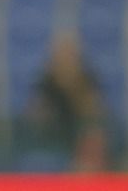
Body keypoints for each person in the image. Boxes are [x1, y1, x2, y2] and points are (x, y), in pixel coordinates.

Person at [22, 33, 110, 171]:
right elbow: (35, 113)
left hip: (79, 130)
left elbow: (95, 110)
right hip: (53, 133)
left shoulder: (86, 78)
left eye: (69, 55)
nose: (66, 60)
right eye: (62, 55)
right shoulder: (46, 80)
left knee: (95, 137)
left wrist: (74, 87)